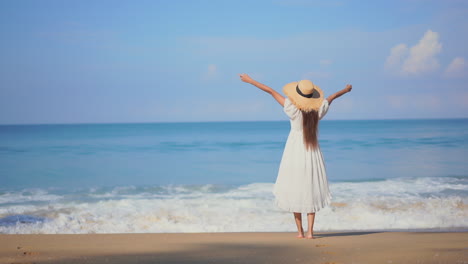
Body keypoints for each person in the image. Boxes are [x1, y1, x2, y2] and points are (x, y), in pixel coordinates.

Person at [239, 73, 352, 239]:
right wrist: (346, 89)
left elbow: (270, 91)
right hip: (312, 152)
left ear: (298, 95)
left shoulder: (292, 109)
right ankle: (310, 233)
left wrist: (250, 81)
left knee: (295, 189)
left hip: (294, 153)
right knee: (310, 189)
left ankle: (300, 232)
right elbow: (332, 97)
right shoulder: (318, 111)